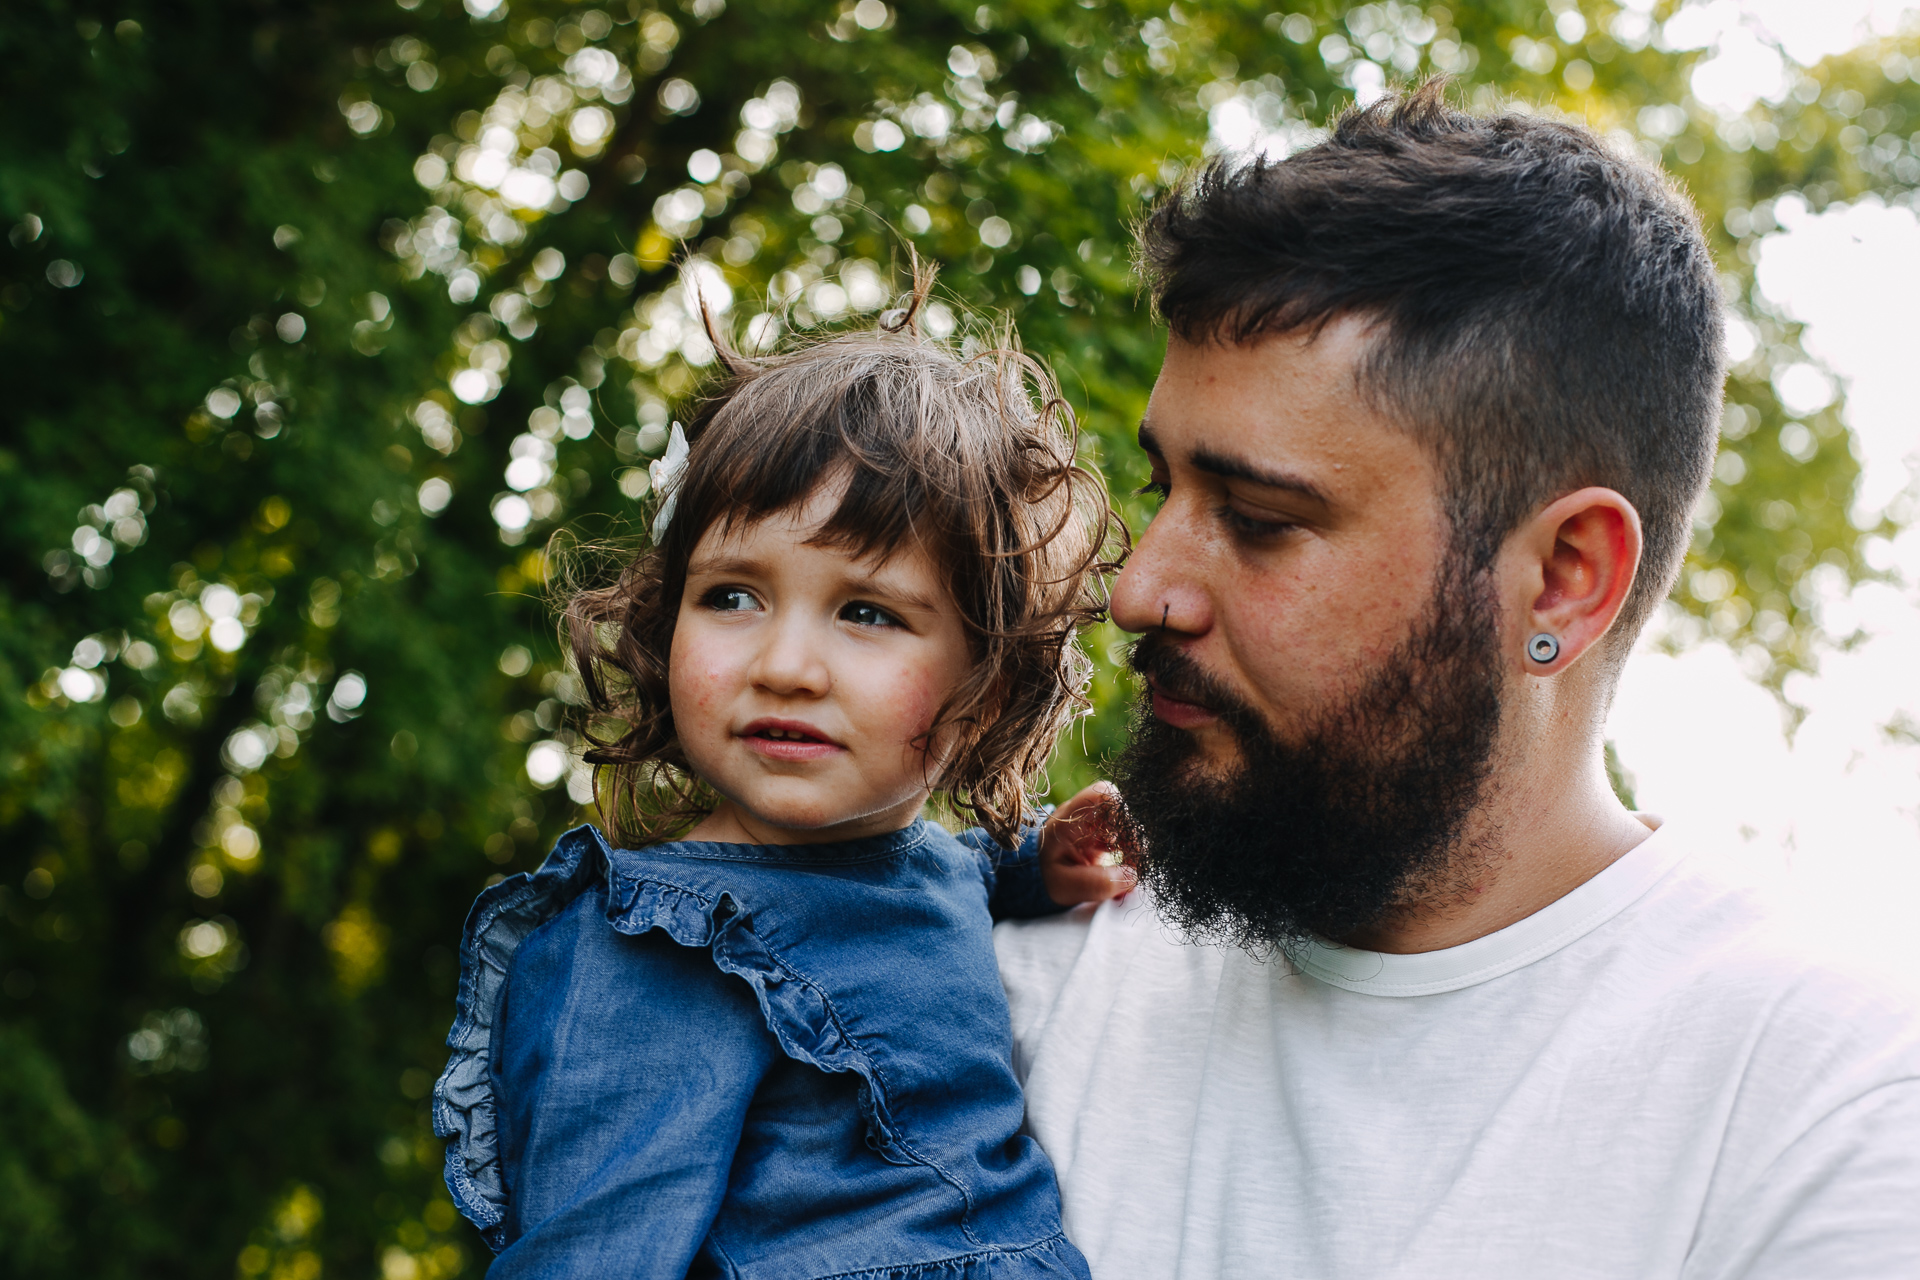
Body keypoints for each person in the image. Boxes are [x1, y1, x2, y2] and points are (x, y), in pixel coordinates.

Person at [994, 83, 1920, 1278]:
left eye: (1262, 517)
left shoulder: (1828, 1108)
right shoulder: (1014, 973)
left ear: (1564, 580)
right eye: (1165, 484)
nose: (1142, 587)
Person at [432, 274, 1134, 1278]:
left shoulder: (921, 864)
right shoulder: (656, 944)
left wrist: (1042, 865)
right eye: (732, 595)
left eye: (866, 612)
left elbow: (942, 884)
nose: (785, 665)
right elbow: (591, 1252)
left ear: (984, 684)